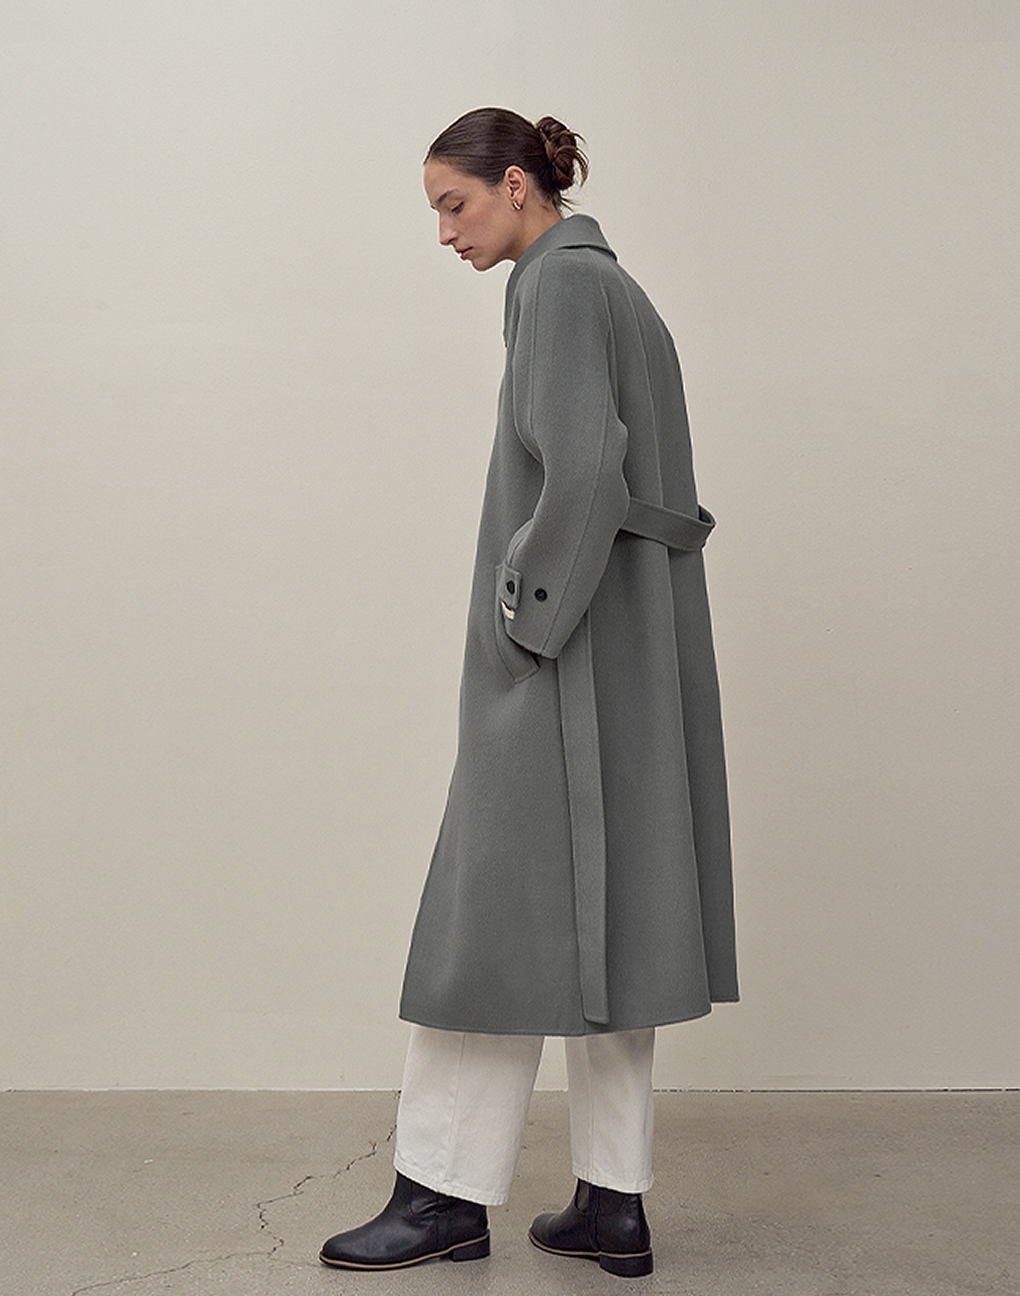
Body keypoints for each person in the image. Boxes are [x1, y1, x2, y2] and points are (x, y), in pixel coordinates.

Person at [319, 107, 737, 1278]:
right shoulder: (620, 289)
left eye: (453, 204)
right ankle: (613, 1201)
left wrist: (525, 619)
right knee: (616, 927)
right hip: (632, 650)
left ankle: (440, 1197)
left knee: (485, 922)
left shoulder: (553, 284)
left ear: (516, 185)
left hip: (568, 651)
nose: (444, 232)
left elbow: (586, 467)